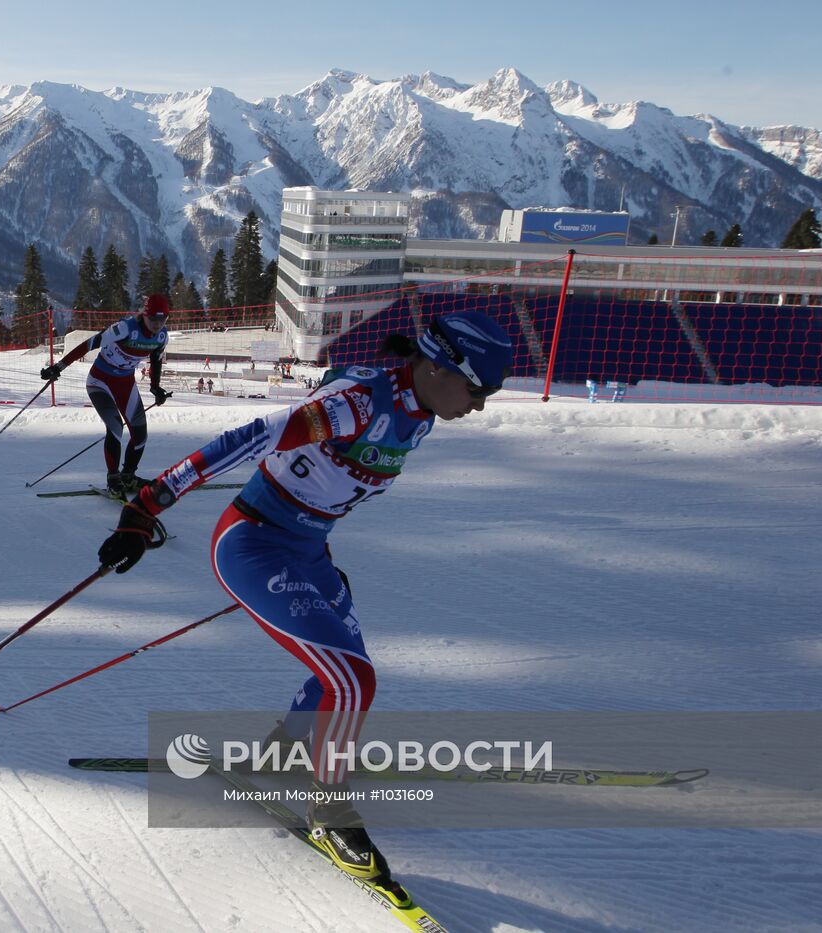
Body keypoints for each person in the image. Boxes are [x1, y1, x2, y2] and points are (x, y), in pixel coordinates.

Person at [95, 311, 513, 892]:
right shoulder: (359, 406)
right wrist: (147, 506)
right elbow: (249, 439)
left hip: (308, 553)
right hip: (252, 545)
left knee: (336, 674)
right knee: (353, 680)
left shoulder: (421, 410)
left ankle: (281, 751)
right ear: (441, 368)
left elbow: (349, 387)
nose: (481, 404)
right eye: (478, 389)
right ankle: (329, 816)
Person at [40, 294, 172, 497]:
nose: (156, 324)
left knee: (140, 434)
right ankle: (113, 478)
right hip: (100, 382)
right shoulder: (125, 328)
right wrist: (59, 366)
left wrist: (156, 387)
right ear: (144, 315)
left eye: (161, 320)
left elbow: (155, 359)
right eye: (153, 319)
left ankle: (128, 476)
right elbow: (89, 344)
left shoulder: (162, 336)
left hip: (125, 384)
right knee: (116, 427)